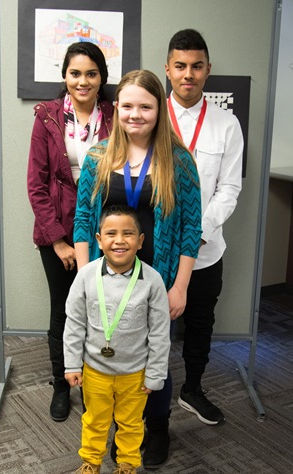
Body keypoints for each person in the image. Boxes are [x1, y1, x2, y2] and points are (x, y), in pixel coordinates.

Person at [73, 69, 202, 469]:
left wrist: (179, 286)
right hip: (106, 278)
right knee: (107, 356)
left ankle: (157, 426)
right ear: (117, 108)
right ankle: (116, 428)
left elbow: (190, 227)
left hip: (156, 278)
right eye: (127, 105)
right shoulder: (97, 157)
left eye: (145, 106)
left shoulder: (178, 161)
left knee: (154, 356)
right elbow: (81, 220)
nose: (135, 114)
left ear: (158, 109)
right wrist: (85, 278)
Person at [27, 41, 114, 423]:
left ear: (101, 78)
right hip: (58, 233)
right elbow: (37, 185)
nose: (83, 81)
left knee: (104, 311)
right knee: (63, 310)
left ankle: (98, 385)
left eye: (91, 73)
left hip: (105, 233)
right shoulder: (47, 116)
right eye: (75, 73)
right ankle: (62, 385)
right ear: (65, 76)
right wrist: (60, 240)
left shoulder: (114, 114)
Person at [165, 29, 243, 426]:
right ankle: (150, 406)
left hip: (206, 250)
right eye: (180, 66)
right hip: (156, 252)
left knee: (200, 324)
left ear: (208, 70)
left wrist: (198, 232)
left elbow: (230, 188)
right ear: (168, 69)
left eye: (196, 66)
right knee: (150, 330)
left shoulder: (227, 124)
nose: (188, 74)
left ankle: (192, 389)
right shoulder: (150, 115)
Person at [64, 204, 171, 474]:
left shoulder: (152, 279)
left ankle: (127, 464)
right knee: (94, 421)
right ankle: (91, 462)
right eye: (111, 233)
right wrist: (71, 365)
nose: (119, 240)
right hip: (96, 371)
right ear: (99, 241)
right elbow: (74, 323)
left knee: (132, 423)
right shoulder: (86, 276)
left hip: (135, 373)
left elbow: (159, 332)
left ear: (140, 241)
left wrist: (155, 374)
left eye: (128, 233)